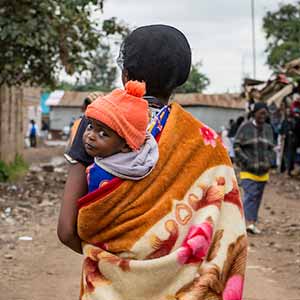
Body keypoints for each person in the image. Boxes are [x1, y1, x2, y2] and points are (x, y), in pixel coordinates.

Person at [58, 25, 247, 300]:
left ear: (125, 75)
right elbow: (227, 233)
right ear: (180, 79)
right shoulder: (207, 144)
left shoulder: (96, 127)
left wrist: (115, 265)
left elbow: (66, 230)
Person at [83, 80, 158, 193]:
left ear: (126, 146)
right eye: (90, 126)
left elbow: (93, 209)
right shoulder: (146, 158)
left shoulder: (100, 176)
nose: (91, 136)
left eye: (103, 133)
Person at [234, 102, 275, 234]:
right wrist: (246, 161)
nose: (263, 116)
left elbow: (272, 148)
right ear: (255, 113)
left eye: (265, 113)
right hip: (248, 171)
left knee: (257, 197)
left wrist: (270, 161)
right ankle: (247, 223)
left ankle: (252, 222)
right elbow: (237, 146)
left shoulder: (268, 129)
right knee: (250, 196)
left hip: (263, 171)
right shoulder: (245, 127)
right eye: (261, 113)